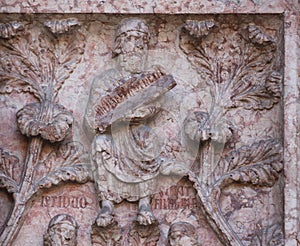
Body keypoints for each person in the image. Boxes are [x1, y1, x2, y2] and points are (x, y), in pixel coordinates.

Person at [84, 18, 178, 227]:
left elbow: (153, 107)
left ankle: (145, 203)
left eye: (141, 42)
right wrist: (118, 116)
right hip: (113, 136)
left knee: (148, 138)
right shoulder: (104, 80)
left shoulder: (149, 80)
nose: (136, 46)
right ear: (119, 45)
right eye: (131, 39)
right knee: (100, 144)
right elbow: (91, 121)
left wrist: (138, 113)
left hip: (137, 133)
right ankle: (107, 204)